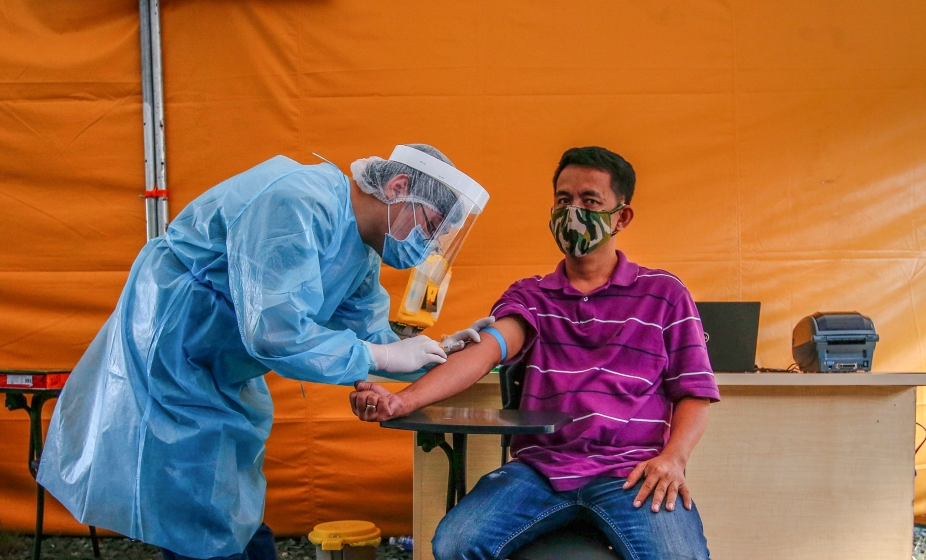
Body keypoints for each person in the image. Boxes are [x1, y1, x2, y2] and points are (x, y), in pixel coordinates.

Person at [37, 144, 491, 560]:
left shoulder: (361, 253)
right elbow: (275, 333)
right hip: (176, 346)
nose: (426, 248)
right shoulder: (299, 201)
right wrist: (385, 358)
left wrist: (440, 354)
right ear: (398, 188)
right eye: (430, 228)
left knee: (227, 493)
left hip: (223, 360)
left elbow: (371, 338)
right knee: (193, 498)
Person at [351, 146, 720, 560]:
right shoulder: (532, 295)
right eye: (563, 200)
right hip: (541, 469)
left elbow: (694, 392)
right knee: (456, 544)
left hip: (630, 472)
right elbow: (485, 352)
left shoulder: (665, 295)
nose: (572, 211)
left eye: (590, 201)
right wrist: (402, 399)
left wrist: (673, 459)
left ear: (622, 217)